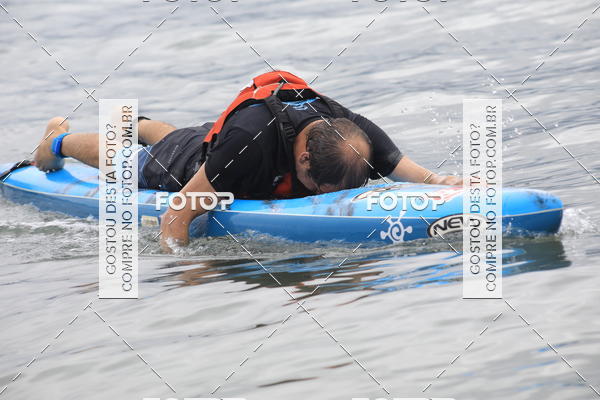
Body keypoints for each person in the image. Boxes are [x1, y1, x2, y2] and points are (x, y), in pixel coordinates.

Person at [33, 71, 461, 251]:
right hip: (186, 167)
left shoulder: (355, 134)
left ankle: (139, 123)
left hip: (216, 144)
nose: (325, 198)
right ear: (303, 157)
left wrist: (450, 185)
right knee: (130, 164)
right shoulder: (248, 147)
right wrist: (186, 270)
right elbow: (175, 216)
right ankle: (59, 140)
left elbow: (420, 175)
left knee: (187, 138)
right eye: (321, 191)